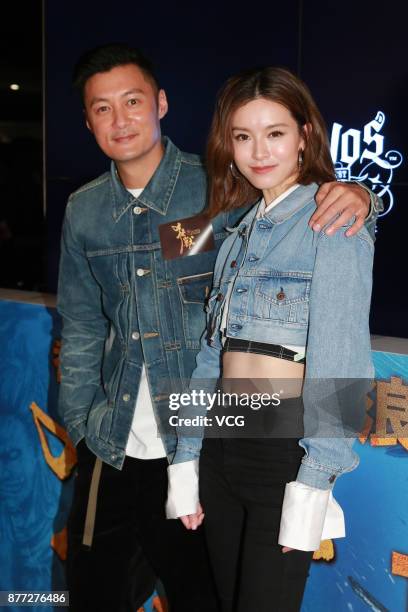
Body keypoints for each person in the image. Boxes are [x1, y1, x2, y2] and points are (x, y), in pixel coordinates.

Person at [57, 42, 378, 612]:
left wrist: (361, 196)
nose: (120, 118)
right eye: (101, 107)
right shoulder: (89, 212)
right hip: (145, 438)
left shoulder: (212, 199)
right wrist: (83, 420)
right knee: (98, 592)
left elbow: (332, 330)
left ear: (160, 103)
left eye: (132, 100)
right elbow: (84, 323)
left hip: (238, 431)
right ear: (86, 119)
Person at [167, 66, 376, 612]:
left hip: (283, 455)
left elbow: (342, 360)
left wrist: (315, 479)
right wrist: (187, 454)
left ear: (305, 135)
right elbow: (211, 354)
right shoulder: (237, 235)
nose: (258, 150)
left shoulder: (330, 224)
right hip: (221, 442)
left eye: (275, 133)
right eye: (243, 136)